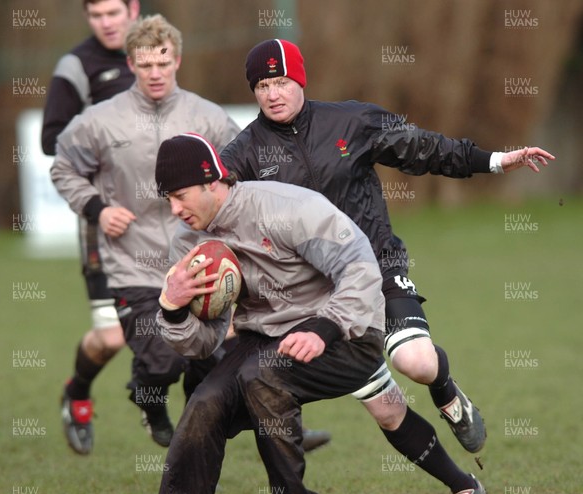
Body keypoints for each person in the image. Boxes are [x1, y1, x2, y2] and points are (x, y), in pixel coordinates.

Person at [220, 38, 556, 455]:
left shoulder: (351, 121)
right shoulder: (242, 155)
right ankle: (463, 484)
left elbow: (425, 149)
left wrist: (494, 161)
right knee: (386, 409)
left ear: (300, 80)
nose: (273, 94)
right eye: (262, 85)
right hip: (315, 295)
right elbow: (219, 220)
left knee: (418, 363)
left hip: (378, 264)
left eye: (282, 81)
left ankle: (448, 394)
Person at [153, 133, 487, 494]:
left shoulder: (285, 207)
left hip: (348, 335)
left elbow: (359, 266)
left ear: (210, 181)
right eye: (168, 199)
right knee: (205, 403)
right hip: (265, 341)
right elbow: (203, 343)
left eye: (180, 196)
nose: (174, 210)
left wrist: (324, 327)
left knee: (262, 376)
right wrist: (172, 309)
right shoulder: (189, 245)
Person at [50, 14, 241, 452]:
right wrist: (97, 208)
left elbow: (237, 174)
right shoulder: (100, 120)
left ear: (178, 60)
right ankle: (149, 397)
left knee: (214, 356)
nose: (155, 74)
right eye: (145, 65)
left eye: (163, 63)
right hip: (130, 262)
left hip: (194, 260)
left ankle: (228, 432)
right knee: (161, 355)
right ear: (131, 64)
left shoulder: (207, 116)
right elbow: (62, 166)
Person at [41, 0, 140, 455]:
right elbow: (50, 139)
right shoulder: (77, 65)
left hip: (162, 218)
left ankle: (270, 423)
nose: (106, 23)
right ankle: (77, 392)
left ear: (133, 9)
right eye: (97, 14)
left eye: (113, 12)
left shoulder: (152, 52)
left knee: (210, 317)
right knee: (111, 336)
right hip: (104, 217)